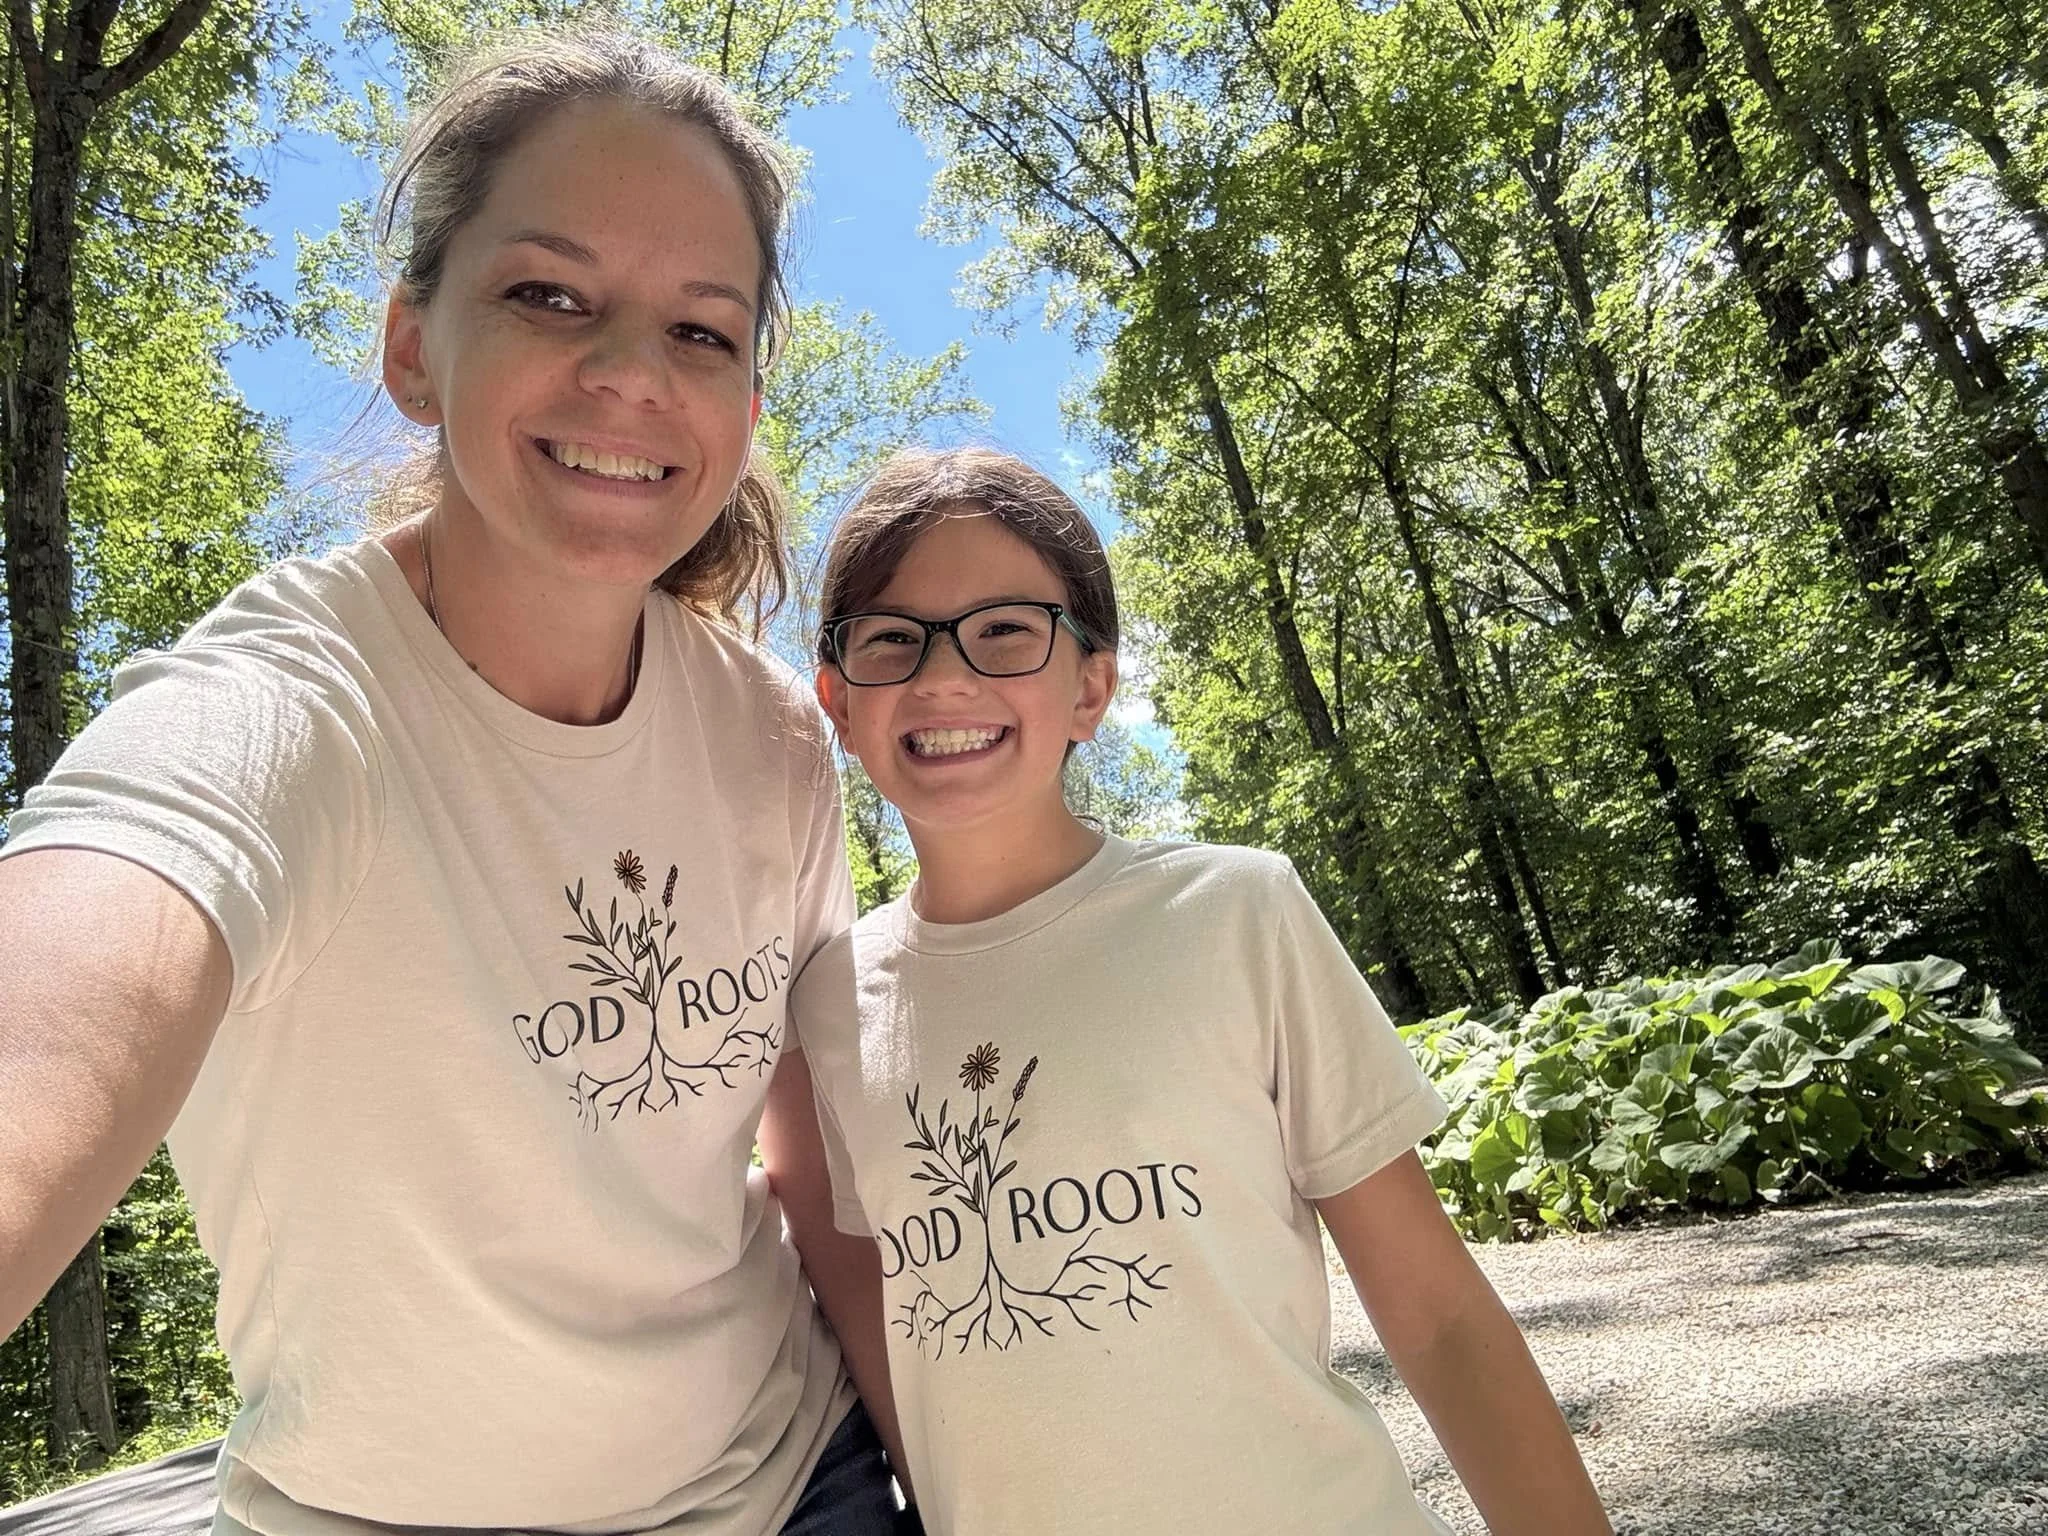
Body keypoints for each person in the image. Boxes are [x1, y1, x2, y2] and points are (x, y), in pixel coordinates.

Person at [0, 26, 905, 1536]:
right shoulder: (286, 704)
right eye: (549, 295)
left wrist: (940, 1454)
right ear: (413, 346)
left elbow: (811, 1155)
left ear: (749, 397)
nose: (629, 374)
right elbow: (88, 946)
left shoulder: (770, 741)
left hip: (788, 1481)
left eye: (701, 329)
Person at [785, 446, 1613, 1535]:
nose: (946, 675)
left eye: (1003, 630)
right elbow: (883, 1318)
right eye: (893, 638)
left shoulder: (1236, 913)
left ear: (1090, 685)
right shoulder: (828, 1004)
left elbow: (1437, 1315)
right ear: (837, 704)